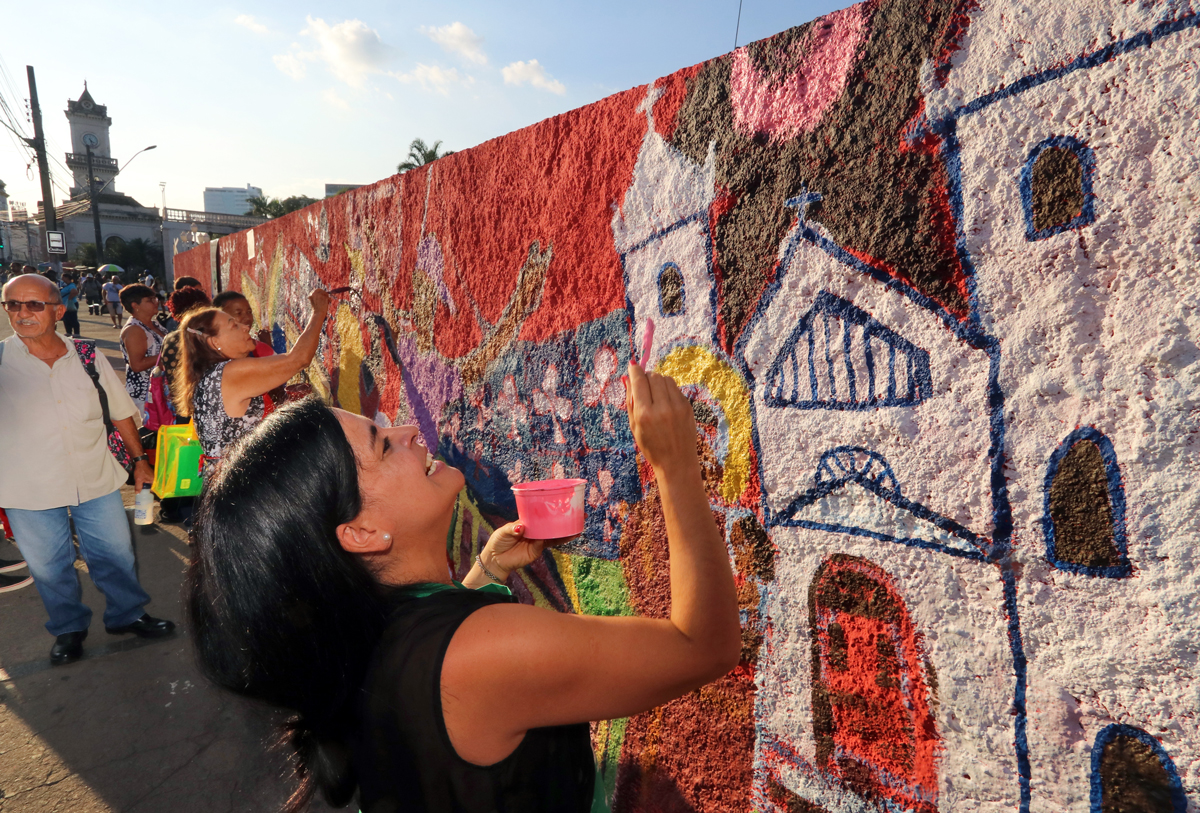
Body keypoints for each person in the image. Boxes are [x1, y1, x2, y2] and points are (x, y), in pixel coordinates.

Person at [186, 364, 739, 812]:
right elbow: (703, 646)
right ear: (361, 533)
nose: (405, 431)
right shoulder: (475, 654)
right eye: (381, 445)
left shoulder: (361, 629)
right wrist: (675, 465)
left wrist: (486, 575)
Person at [0, 274, 175, 666]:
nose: (22, 312)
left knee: (115, 554)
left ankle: (127, 614)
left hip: (95, 478)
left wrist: (140, 461)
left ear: (58, 310)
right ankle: (68, 628)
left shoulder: (87, 355)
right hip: (28, 490)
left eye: (34, 304)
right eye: (13, 304)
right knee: (49, 567)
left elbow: (121, 412)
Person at [173, 289, 329, 461]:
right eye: (234, 325)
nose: (246, 327)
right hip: (240, 482)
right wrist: (319, 311)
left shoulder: (212, 375)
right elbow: (298, 360)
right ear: (215, 342)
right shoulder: (229, 373)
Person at [118, 284, 166, 419]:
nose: (155, 302)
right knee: (157, 432)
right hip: (148, 393)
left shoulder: (154, 324)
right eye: (149, 300)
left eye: (154, 299)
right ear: (135, 305)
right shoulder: (134, 330)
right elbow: (137, 365)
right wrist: (168, 356)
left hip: (161, 389)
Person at [58, 272, 81, 338]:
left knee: (73, 318)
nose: (62, 279)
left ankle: (76, 332)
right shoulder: (66, 285)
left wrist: (69, 299)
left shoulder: (71, 285)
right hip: (65, 304)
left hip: (71, 304)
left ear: (67, 278)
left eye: (63, 277)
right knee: (66, 318)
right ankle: (68, 332)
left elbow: (74, 292)